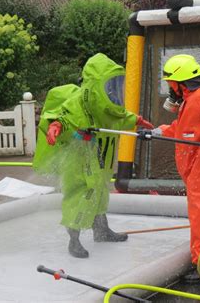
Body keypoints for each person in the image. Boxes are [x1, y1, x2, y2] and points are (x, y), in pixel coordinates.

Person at [33, 53, 153, 258]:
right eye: (110, 85)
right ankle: (74, 239)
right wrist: (55, 127)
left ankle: (101, 230)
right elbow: (60, 118)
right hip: (78, 159)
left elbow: (119, 116)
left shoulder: (105, 106)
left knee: (100, 192)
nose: (114, 90)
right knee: (79, 195)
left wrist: (137, 120)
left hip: (100, 158)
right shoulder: (77, 103)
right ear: (95, 86)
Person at [140, 54, 200, 282]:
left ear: (179, 82)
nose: (169, 88)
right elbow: (184, 129)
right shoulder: (192, 99)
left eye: (169, 83)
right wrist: (155, 132)